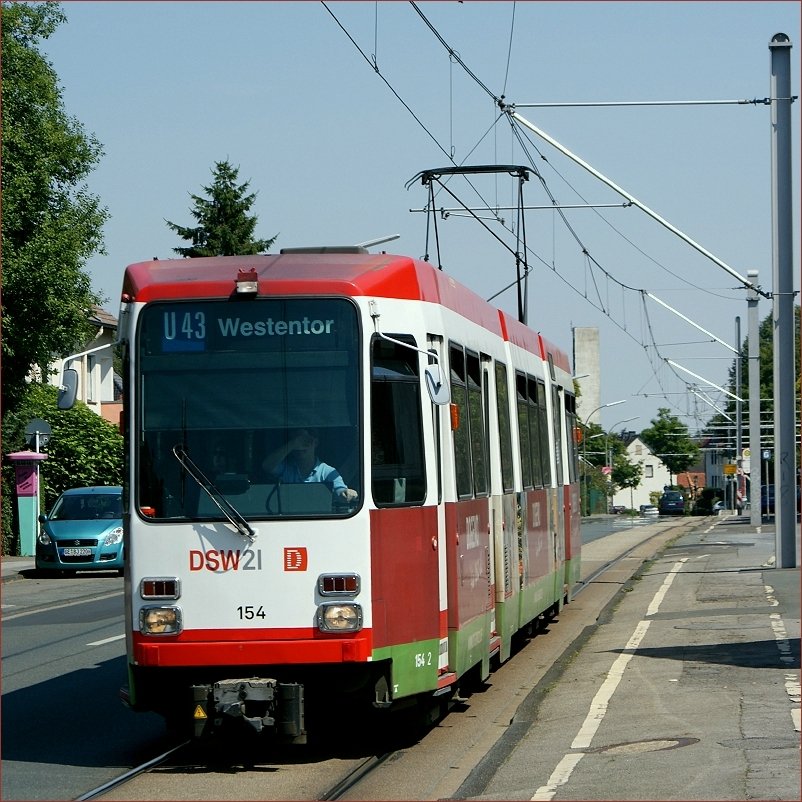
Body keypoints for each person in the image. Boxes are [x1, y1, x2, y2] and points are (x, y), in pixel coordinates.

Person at [262, 428, 358, 502]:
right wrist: (291, 445)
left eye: (305, 440)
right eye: (296, 441)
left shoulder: (327, 472)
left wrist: (346, 493)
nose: (300, 445)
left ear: (315, 442)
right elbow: (267, 466)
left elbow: (340, 491)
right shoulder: (285, 468)